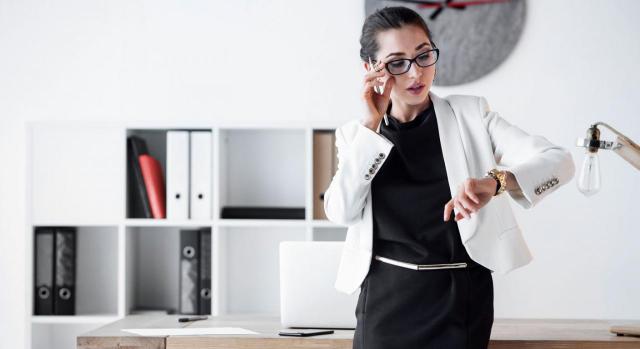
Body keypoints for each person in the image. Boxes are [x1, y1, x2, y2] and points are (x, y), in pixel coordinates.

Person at [323, 6, 576, 349]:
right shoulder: (356, 135)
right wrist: (372, 125)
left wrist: (495, 182)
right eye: (398, 62)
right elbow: (340, 211)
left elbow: (558, 162)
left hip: (460, 300)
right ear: (372, 69)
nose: (416, 74)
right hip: (385, 300)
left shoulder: (471, 115)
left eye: (423, 55)